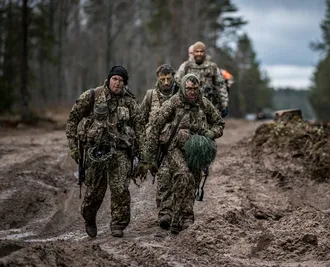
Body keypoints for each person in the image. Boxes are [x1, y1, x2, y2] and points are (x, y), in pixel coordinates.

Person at [136, 73, 225, 234]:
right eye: (189, 89)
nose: (192, 92)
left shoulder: (204, 103)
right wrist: (149, 156)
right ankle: (175, 218)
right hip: (174, 148)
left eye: (195, 89)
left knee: (193, 181)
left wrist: (212, 133)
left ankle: (187, 216)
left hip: (196, 151)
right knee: (183, 175)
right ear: (183, 88)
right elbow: (156, 125)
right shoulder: (173, 102)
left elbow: (219, 123)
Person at [65, 66, 144, 238]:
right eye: (115, 79)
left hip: (120, 151)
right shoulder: (92, 96)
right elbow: (72, 120)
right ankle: (89, 218)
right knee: (94, 191)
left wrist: (143, 156)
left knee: (121, 189)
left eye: (121, 81)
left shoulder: (130, 101)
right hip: (96, 151)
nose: (118, 83)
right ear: (109, 79)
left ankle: (118, 224)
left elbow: (140, 128)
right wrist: (73, 147)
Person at [139, 64, 179, 224]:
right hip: (158, 146)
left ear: (173, 76)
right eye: (163, 79)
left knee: (180, 177)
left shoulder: (180, 94)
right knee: (163, 176)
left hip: (177, 142)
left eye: (169, 78)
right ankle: (165, 212)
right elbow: (140, 119)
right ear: (158, 78)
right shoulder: (150, 96)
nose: (166, 82)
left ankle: (179, 211)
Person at [176, 41, 229, 117]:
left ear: (205, 52)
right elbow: (178, 83)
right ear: (193, 53)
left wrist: (224, 104)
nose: (199, 54)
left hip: (209, 106)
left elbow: (220, 85)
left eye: (201, 51)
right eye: (197, 51)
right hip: (190, 107)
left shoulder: (212, 67)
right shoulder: (186, 66)